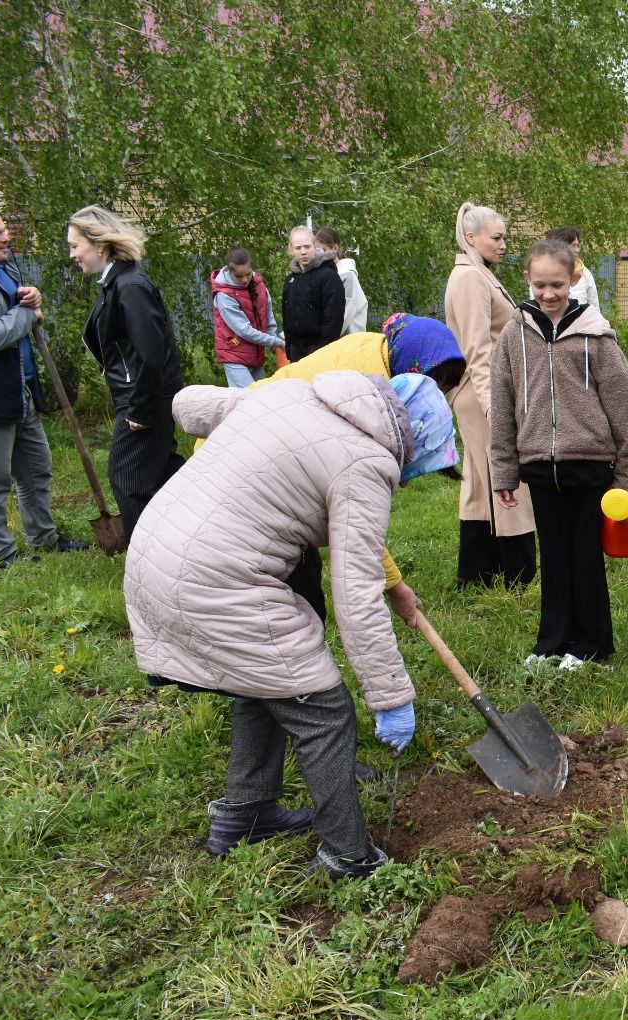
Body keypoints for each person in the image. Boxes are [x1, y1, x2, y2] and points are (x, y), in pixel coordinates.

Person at [124, 370, 458, 879]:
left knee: (268, 676)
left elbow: (189, 405)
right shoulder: (366, 463)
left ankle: (245, 813)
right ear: (412, 442)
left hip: (156, 548)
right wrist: (391, 696)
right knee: (322, 707)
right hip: (214, 580)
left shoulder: (292, 393)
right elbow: (355, 591)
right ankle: (347, 855)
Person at [257, 313, 467, 626]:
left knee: (303, 589)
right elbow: (355, 524)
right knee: (289, 607)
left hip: (266, 453)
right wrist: (395, 586)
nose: (432, 394)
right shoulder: (362, 398)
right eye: (432, 383)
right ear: (413, 368)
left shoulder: (378, 352)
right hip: (260, 473)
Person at [489, 238, 628, 670]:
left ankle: (591, 645)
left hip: (589, 466)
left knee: (584, 556)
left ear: (575, 279)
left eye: (557, 284)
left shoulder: (596, 335)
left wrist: (626, 476)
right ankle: (551, 641)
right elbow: (502, 403)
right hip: (539, 465)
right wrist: (504, 472)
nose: (549, 294)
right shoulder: (514, 335)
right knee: (553, 557)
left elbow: (625, 405)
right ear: (527, 281)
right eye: (540, 285)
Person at [0, 201, 88, 568]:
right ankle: (1, 557)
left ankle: (43, 537)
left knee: (36, 468)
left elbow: (16, 308)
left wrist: (29, 297)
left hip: (19, 388)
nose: (6, 237)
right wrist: (28, 313)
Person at [68, 205, 187, 537]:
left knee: (128, 478)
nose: (73, 254)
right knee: (164, 473)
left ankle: (146, 556)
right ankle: (201, 531)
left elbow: (151, 354)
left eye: (76, 246)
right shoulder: (115, 284)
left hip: (145, 400)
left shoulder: (129, 286)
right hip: (142, 396)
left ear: (100, 244)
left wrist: (139, 408)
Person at [444, 202, 536, 587]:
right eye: (496, 237)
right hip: (482, 392)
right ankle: (517, 570)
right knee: (504, 474)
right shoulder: (469, 278)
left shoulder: (478, 274)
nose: (503, 244)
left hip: (486, 390)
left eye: (504, 237)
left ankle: (479, 570)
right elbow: (476, 350)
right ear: (471, 238)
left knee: (481, 481)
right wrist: (494, 407)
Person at [210, 245, 284, 388]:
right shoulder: (224, 295)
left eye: (248, 274)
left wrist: (275, 345)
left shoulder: (259, 286)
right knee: (247, 399)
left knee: (260, 397)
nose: (245, 279)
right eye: (239, 276)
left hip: (255, 355)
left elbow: (268, 319)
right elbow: (244, 331)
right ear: (230, 272)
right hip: (234, 356)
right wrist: (276, 342)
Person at [280, 225, 344, 361]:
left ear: (314, 246)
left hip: (320, 352)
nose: (303, 252)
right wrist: (289, 350)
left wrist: (322, 352)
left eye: (307, 246)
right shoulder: (290, 280)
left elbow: (333, 320)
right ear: (291, 250)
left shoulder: (329, 277)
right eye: (298, 248)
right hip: (296, 352)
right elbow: (287, 317)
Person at [315, 226, 369, 336]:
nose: (319, 255)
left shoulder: (347, 276)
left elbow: (342, 318)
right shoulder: (323, 276)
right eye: (317, 251)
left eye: (323, 250)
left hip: (349, 344)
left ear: (335, 248)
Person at [543, 227, 601, 311]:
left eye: (578, 246)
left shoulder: (585, 273)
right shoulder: (542, 273)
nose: (577, 250)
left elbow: (594, 308)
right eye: (573, 246)